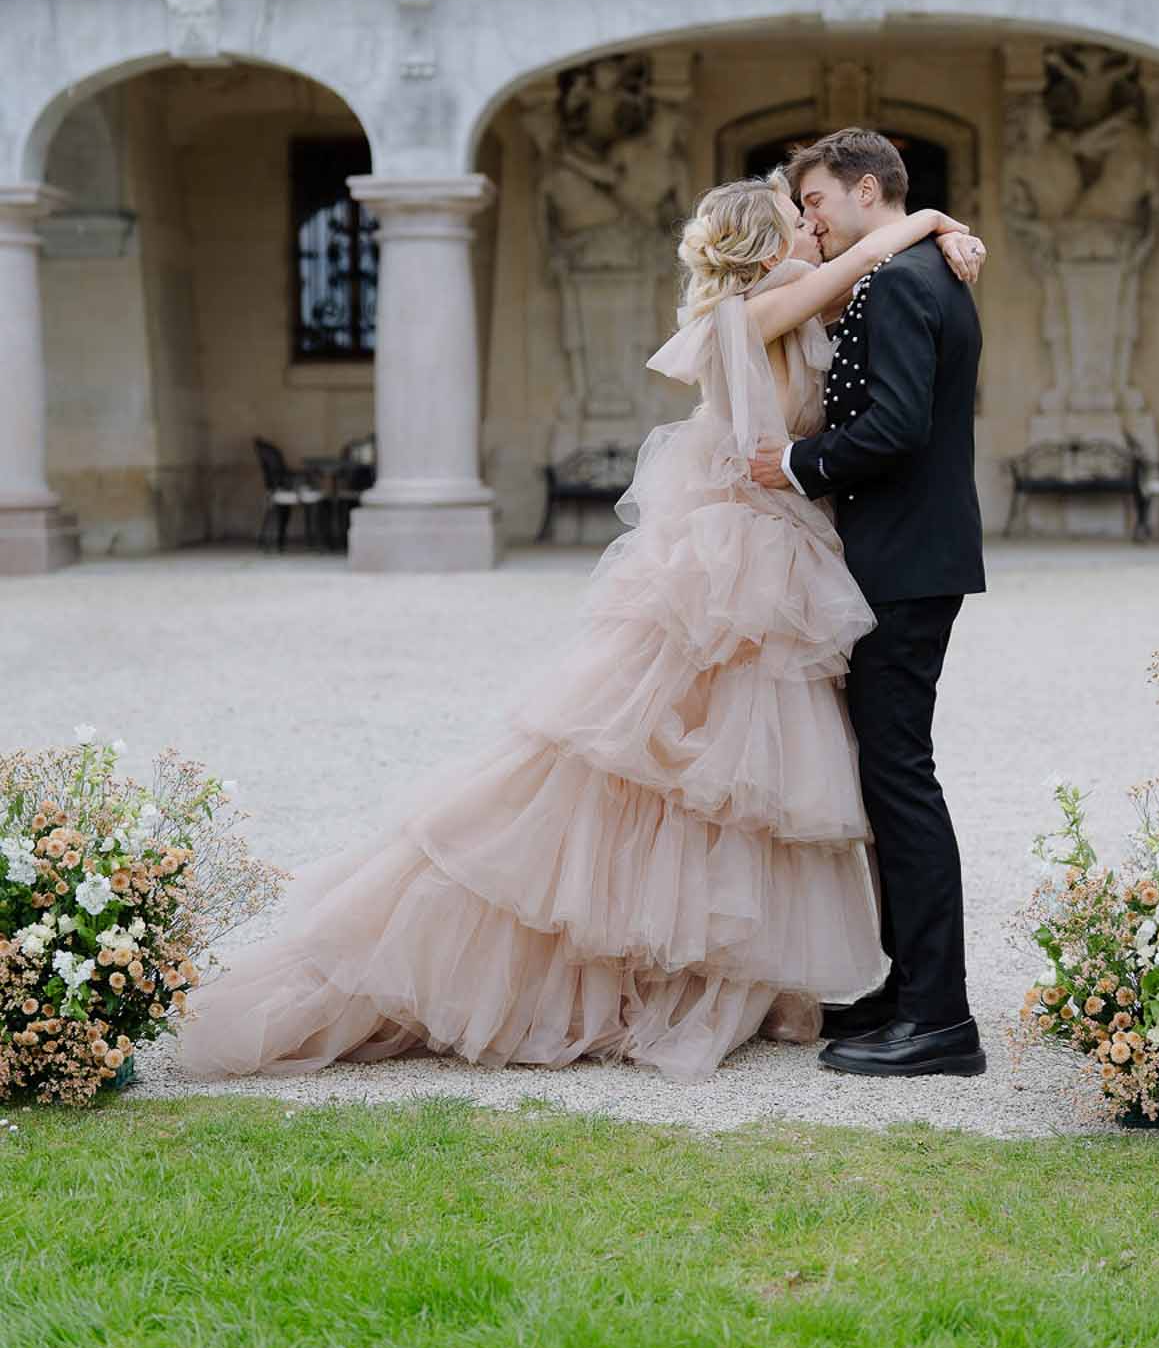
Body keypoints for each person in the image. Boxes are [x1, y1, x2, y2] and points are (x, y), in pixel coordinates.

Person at [179, 175, 983, 1085]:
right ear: (765, 247)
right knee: (689, 769)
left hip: (793, 552)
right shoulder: (749, 312)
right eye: (798, 216)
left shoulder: (794, 304)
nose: (814, 226)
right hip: (740, 562)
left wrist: (941, 238)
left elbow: (866, 326)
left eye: (817, 208)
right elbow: (860, 267)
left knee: (739, 780)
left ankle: (753, 971)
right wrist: (926, 221)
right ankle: (663, 962)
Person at [750, 128, 987, 1080]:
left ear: (862, 191)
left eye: (815, 201)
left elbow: (892, 423)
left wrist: (797, 464)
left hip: (902, 562)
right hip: (910, 555)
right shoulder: (929, 268)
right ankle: (907, 987)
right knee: (889, 778)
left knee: (899, 780)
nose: (809, 216)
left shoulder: (897, 283)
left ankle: (940, 1022)